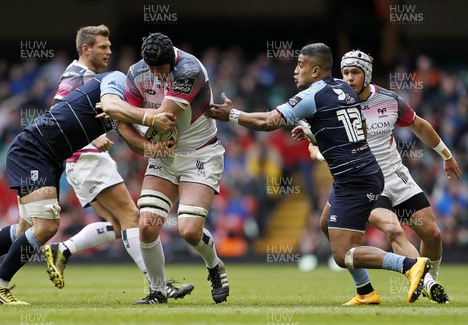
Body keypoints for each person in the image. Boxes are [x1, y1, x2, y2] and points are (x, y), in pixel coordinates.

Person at [206, 43, 431, 304]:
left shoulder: (313, 95)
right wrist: (318, 134)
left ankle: (410, 265)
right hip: (360, 172)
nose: (295, 70)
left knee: (342, 253)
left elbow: (268, 121)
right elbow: (360, 128)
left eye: (300, 64)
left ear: (315, 70)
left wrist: (231, 114)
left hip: (354, 179)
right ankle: (365, 291)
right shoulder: (344, 88)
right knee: (325, 223)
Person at [0, 70, 175, 305]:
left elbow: (130, 136)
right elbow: (109, 107)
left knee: (23, 230)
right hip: (35, 151)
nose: (107, 51)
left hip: (48, 156)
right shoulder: (115, 82)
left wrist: (154, 147)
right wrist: (151, 117)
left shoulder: (124, 103)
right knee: (47, 226)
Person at [293, 50, 461, 304]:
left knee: (432, 234)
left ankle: (428, 280)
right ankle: (420, 281)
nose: (348, 78)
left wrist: (446, 155)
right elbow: (315, 145)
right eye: (345, 72)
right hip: (366, 180)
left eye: (355, 72)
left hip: (396, 175)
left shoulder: (389, 100)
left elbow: (419, 125)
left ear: (367, 74)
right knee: (393, 230)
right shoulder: (331, 102)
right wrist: (316, 147)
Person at [43, 25, 193, 299]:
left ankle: (62, 250)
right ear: (86, 49)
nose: (109, 51)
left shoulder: (82, 74)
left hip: (84, 162)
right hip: (87, 158)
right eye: (103, 46)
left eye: (110, 46)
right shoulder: (80, 75)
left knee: (118, 225)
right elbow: (57, 115)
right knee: (132, 218)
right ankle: (158, 285)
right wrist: (89, 140)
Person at [118, 32, 229, 305]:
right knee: (147, 224)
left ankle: (215, 266)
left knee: (189, 230)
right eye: (152, 69)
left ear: (172, 60)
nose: (156, 75)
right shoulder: (136, 72)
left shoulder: (189, 70)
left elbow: (164, 119)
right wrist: (148, 148)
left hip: (200, 153)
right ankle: (158, 291)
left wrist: (116, 109)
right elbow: (123, 126)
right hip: (164, 155)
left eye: (161, 69)